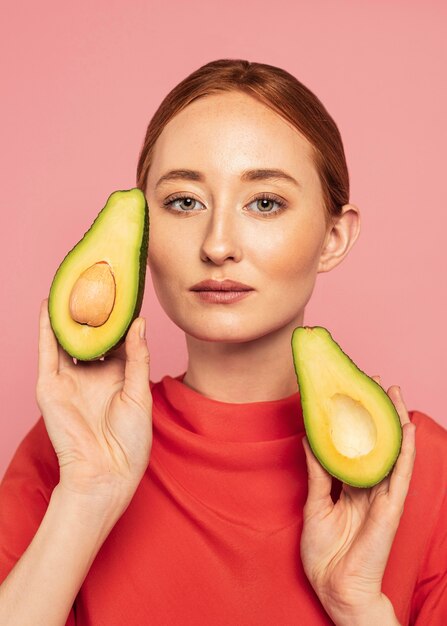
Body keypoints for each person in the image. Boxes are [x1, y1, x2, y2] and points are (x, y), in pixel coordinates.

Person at [0, 58, 446, 626]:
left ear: (334, 237)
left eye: (264, 203)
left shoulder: (424, 470)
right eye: (185, 202)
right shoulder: (71, 446)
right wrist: (89, 495)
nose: (217, 245)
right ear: (142, 228)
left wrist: (358, 608)